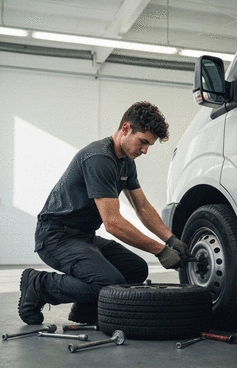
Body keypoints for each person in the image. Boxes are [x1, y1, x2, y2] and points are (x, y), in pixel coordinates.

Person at [18, 101, 191, 325]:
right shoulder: (99, 158)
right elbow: (113, 223)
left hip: (83, 237)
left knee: (136, 269)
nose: (145, 150)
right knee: (107, 282)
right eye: (143, 142)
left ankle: (85, 310)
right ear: (126, 129)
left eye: (149, 145)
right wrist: (160, 251)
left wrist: (171, 239)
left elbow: (142, 207)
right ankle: (38, 284)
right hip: (55, 237)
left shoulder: (126, 162)